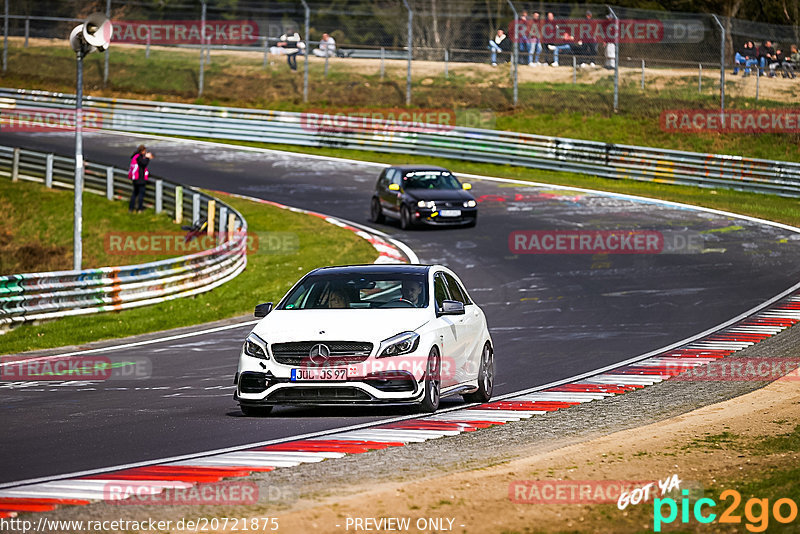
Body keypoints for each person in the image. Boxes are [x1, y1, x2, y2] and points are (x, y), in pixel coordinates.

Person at [128, 144, 153, 214]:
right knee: (141, 194)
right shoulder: (139, 157)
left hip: (135, 179)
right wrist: (148, 158)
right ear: (142, 151)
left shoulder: (135, 156)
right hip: (140, 179)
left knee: (134, 193)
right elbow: (143, 164)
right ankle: (140, 209)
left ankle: (131, 208)